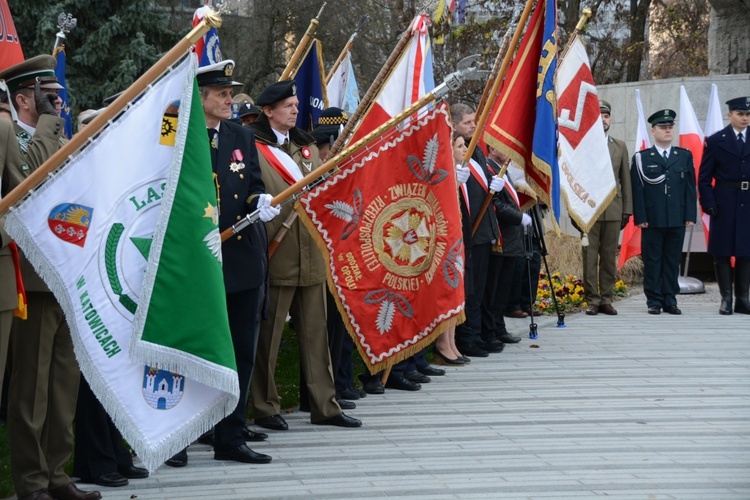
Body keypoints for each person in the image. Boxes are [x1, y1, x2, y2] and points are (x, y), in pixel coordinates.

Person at [1, 55, 101, 500]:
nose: (58, 105)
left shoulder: (54, 137)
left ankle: (58, 474)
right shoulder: (15, 140)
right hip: (30, 281)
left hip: (65, 275)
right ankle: (32, 482)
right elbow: (30, 181)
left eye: (59, 97)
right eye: (49, 96)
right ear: (24, 99)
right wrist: (46, 124)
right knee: (32, 389)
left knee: (64, 384)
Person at [248, 80, 361, 430]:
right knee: (269, 338)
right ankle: (266, 407)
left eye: (297, 104)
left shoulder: (305, 146)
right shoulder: (254, 146)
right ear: (269, 111)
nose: (296, 110)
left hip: (310, 250)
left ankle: (324, 405)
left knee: (316, 334)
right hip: (277, 250)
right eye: (288, 105)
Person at [630, 108, 697, 315]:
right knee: (652, 260)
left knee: (672, 260)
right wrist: (640, 217)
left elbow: (689, 189)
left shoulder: (683, 156)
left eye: (670, 127)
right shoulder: (642, 158)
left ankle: (670, 299)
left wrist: (689, 215)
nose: (668, 130)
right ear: (653, 131)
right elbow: (637, 190)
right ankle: (654, 300)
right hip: (652, 218)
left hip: (677, 217)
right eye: (663, 127)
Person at [450, 103, 504, 358]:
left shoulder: (478, 152)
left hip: (482, 229)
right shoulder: (457, 151)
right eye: (467, 122)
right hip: (466, 230)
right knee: (469, 290)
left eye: (474, 121)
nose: (473, 125)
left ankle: (479, 332)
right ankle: (467, 337)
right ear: (454, 125)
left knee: (480, 288)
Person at [698, 96, 750, 315]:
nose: (745, 118)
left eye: (748, 115)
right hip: (724, 201)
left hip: (748, 201)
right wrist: (708, 202)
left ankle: (743, 299)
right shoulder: (716, 141)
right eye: (740, 114)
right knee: (722, 252)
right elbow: (704, 177)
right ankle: (726, 299)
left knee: (746, 253)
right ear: (729, 115)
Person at [582, 100, 633, 316]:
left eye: (606, 116)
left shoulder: (619, 146)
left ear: (609, 119)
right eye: (598, 116)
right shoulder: (582, 145)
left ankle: (606, 299)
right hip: (589, 209)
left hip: (613, 208)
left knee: (609, 255)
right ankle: (592, 300)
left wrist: (627, 210)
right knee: (589, 256)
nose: (602, 120)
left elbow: (625, 180)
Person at [482, 145, 528, 346]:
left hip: (511, 239)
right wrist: (519, 218)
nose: (508, 151)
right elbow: (496, 205)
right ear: (492, 149)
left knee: (503, 289)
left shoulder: (503, 170)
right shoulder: (489, 170)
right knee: (494, 289)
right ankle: (490, 330)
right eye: (503, 147)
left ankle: (499, 327)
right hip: (500, 238)